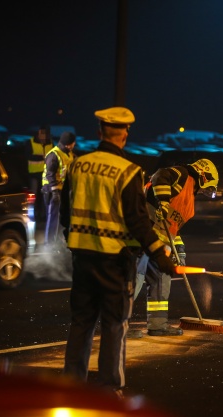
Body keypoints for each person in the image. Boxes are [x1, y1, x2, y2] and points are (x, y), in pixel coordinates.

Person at [60, 106, 175, 396]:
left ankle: (72, 385)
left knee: (81, 322)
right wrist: (161, 255)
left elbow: (65, 214)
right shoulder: (129, 171)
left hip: (82, 257)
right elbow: (137, 221)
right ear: (124, 134)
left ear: (99, 132)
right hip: (114, 260)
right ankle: (110, 388)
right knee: (114, 324)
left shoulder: (77, 165)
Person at [135, 158, 219, 336]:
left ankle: (158, 325)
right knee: (133, 281)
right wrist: (163, 201)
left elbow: (173, 229)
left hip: (160, 247)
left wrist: (179, 250)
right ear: (204, 177)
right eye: (208, 188)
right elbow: (160, 176)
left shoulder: (189, 202)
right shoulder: (182, 174)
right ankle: (117, 326)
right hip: (142, 236)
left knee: (161, 282)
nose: (205, 193)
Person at [42, 131, 76, 252]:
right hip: (51, 191)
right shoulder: (54, 154)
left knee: (63, 218)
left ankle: (58, 242)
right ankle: (49, 245)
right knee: (53, 218)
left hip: (62, 190)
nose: (74, 145)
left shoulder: (68, 153)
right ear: (68, 144)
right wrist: (55, 192)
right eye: (73, 143)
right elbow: (50, 174)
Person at [26, 125, 54, 222]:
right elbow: (27, 156)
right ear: (38, 133)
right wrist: (41, 157)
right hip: (34, 173)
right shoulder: (31, 142)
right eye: (41, 133)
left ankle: (43, 215)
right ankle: (31, 215)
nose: (43, 136)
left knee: (45, 195)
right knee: (33, 196)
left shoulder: (50, 143)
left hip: (45, 174)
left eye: (45, 134)